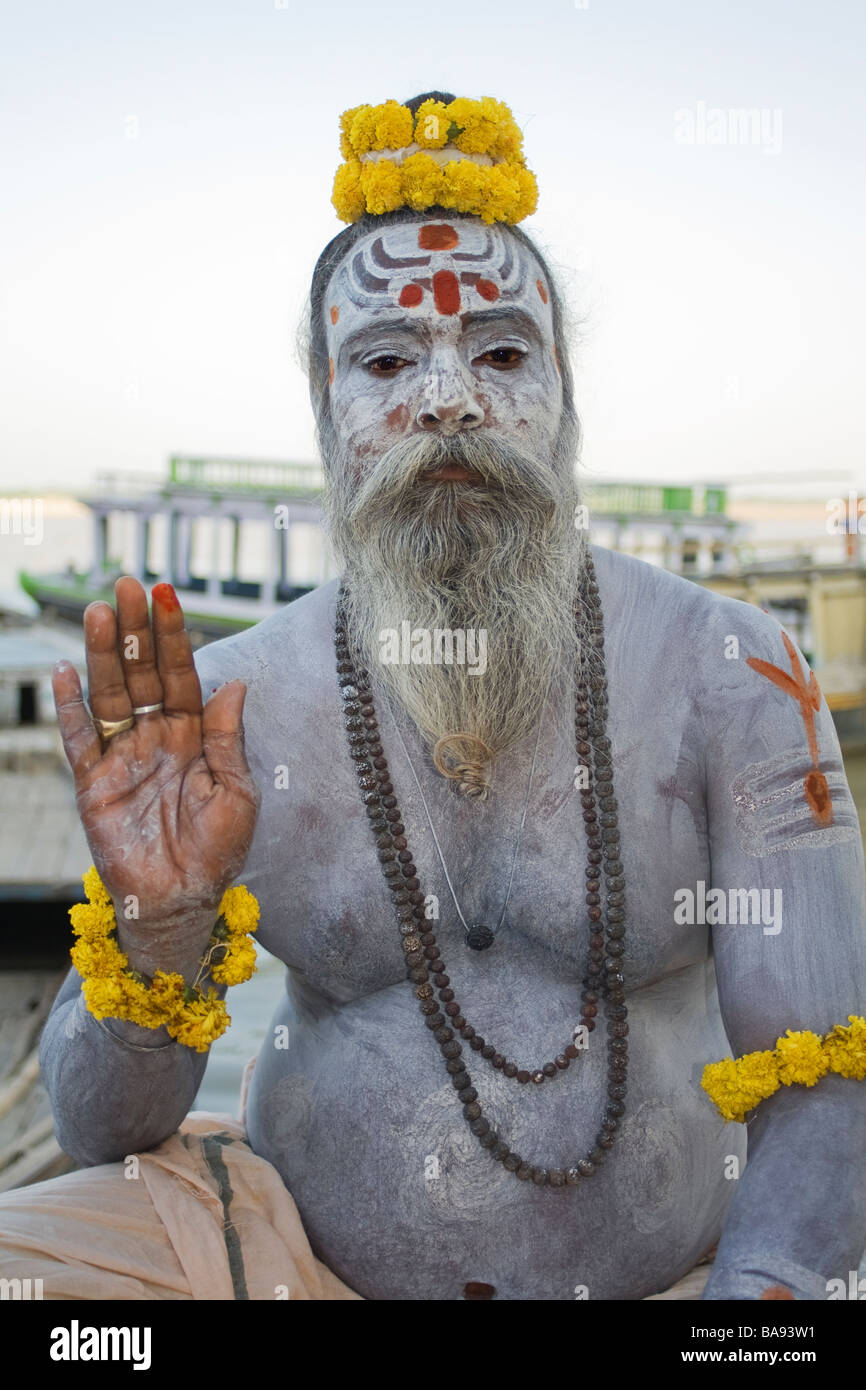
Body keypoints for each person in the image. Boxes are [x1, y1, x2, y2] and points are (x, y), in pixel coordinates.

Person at [2, 91, 865, 1302]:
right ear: (326, 410)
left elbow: (825, 1093)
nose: (449, 399)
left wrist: (751, 1319)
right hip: (289, 1268)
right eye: (387, 360)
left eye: (502, 353)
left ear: (568, 396)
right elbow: (102, 1133)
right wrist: (160, 923)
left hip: (692, 1281)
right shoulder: (234, 709)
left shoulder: (736, 677)